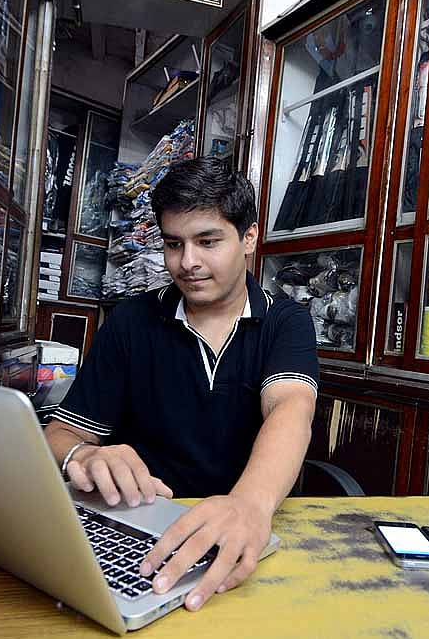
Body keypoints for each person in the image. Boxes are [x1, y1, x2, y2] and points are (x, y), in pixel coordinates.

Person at [44, 157, 319, 613]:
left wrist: (250, 505)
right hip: (141, 523)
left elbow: (291, 408)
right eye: (174, 244)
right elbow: (61, 433)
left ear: (249, 238)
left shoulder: (285, 321)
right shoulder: (131, 321)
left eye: (207, 242)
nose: (188, 263)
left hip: (246, 522)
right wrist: (83, 455)